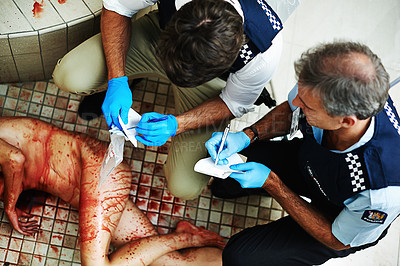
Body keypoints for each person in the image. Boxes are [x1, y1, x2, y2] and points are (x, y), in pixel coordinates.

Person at [52, 0, 301, 200]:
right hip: (157, 38)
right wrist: (117, 79)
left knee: (185, 186)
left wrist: (176, 125)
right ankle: (132, 79)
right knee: (70, 75)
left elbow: (232, 104)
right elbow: (118, 7)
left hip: (213, 85)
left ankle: (178, 82)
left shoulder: (262, 53)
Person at [205, 41, 400, 265]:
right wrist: (247, 136)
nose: (296, 102)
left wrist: (273, 184)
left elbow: (337, 239)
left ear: (345, 121)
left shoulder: (380, 192)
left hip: (335, 217)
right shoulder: (325, 88)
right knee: (232, 172)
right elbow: (290, 110)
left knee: (239, 257)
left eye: (307, 105)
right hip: (310, 164)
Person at [0, 116, 224, 265]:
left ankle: (187, 238)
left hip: (97, 170)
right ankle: (197, 242)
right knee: (170, 263)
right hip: (88, 195)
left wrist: (10, 207)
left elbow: (15, 159)